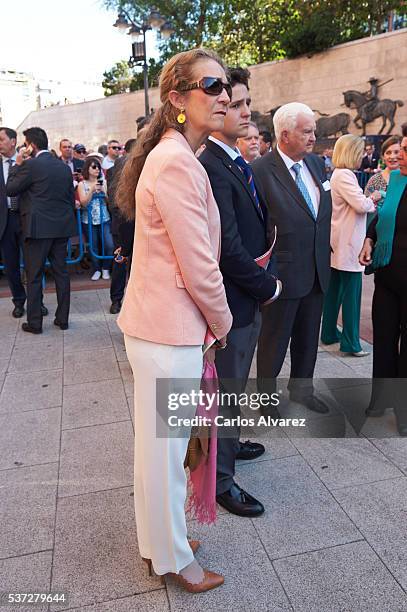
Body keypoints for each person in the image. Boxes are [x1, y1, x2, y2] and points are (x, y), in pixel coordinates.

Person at [115, 49, 232, 592]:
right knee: (164, 453)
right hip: (168, 330)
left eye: (226, 85)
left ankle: (160, 542)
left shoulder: (173, 157)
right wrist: (224, 323)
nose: (224, 94)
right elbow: (200, 266)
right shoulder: (176, 162)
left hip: (160, 327)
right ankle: (175, 560)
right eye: (212, 84)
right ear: (177, 100)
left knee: (158, 450)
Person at [199, 67, 280, 518]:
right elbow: (226, 246)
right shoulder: (210, 163)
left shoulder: (232, 158)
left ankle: (228, 451)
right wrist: (266, 285)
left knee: (233, 390)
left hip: (244, 294)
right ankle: (221, 481)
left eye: (247, 103)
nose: (246, 112)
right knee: (225, 392)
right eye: (237, 104)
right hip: (231, 298)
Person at [252, 102, 332, 413]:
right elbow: (257, 227)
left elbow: (318, 215)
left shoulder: (315, 164)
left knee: (308, 338)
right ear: (285, 135)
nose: (314, 136)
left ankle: (302, 390)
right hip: (281, 274)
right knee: (274, 341)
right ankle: (266, 399)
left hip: (316, 271)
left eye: (314, 130)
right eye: (307, 131)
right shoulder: (260, 171)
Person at [6, 127, 76, 333]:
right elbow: (68, 198)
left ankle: (35, 323)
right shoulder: (63, 167)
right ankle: (62, 319)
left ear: (31, 146)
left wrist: (17, 166)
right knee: (62, 274)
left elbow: (10, 189)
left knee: (34, 275)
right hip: (61, 228)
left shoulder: (31, 165)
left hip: (37, 229)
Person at [359, 134, 407, 435]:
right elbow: (382, 217)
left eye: (405, 150)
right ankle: (381, 400)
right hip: (387, 275)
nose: (398, 154)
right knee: (385, 339)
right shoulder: (397, 180)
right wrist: (369, 238)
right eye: (400, 148)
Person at [320, 135, 381, 356]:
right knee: (352, 295)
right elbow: (361, 204)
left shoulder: (338, 174)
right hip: (349, 242)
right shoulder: (345, 175)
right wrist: (374, 197)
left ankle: (328, 333)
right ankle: (351, 343)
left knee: (335, 291)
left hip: (340, 240)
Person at [106, 138, 136, 313]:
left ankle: (118, 301)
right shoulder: (123, 165)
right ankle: (118, 301)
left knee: (122, 263)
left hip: (124, 222)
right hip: (125, 222)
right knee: (123, 263)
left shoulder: (116, 167)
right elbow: (114, 197)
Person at [0, 127, 26, 317]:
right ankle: (18, 301)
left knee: (34, 264)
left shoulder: (27, 162)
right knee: (11, 266)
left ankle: (36, 302)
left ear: (13, 141)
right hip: (5, 221)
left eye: (1, 139)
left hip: (25, 218)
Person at [77, 157, 114, 281]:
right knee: (93, 246)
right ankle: (97, 269)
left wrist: (104, 192)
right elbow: (83, 203)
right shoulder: (82, 184)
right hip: (89, 220)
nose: (97, 169)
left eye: (98, 166)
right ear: (87, 169)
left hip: (105, 219)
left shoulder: (104, 182)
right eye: (94, 167)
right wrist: (92, 190)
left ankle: (106, 268)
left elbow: (109, 202)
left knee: (109, 245)